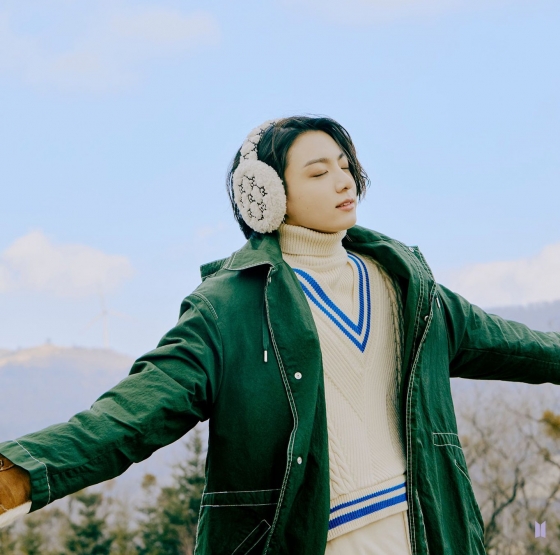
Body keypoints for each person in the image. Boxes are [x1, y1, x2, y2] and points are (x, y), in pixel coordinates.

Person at [1, 115, 559, 555]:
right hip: (313, 540)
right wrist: (23, 472)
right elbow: (132, 414)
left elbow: (520, 347)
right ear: (264, 195)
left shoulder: (408, 285)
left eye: (345, 165)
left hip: (428, 532)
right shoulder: (227, 307)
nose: (343, 180)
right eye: (318, 172)